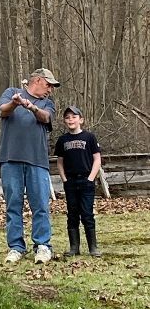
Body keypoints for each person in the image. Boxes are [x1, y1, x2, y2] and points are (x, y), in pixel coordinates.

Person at [0, 68, 59, 265]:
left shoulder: (47, 103)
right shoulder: (11, 92)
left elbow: (46, 118)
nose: (50, 90)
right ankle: (15, 247)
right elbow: (2, 111)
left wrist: (31, 107)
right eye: (48, 85)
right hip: (10, 158)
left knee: (40, 204)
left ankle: (43, 245)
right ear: (37, 80)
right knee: (13, 205)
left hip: (37, 161)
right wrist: (15, 103)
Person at [54, 106, 102, 258]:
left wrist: (91, 178)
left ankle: (93, 247)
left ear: (81, 120)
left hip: (86, 181)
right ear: (64, 121)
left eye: (74, 117)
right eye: (67, 117)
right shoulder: (62, 140)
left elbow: (97, 159)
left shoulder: (89, 137)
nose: (70, 120)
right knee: (72, 214)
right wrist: (65, 179)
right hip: (71, 182)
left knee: (87, 214)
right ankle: (74, 247)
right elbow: (59, 162)